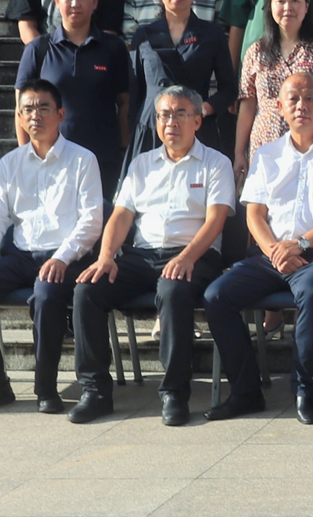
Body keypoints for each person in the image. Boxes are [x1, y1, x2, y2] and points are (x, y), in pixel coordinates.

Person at [69, 86, 234, 426]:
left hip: (195, 255)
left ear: (197, 120)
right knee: (88, 290)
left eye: (180, 114)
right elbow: (121, 216)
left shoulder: (216, 163)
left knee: (172, 291)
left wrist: (187, 257)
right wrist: (106, 256)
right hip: (142, 256)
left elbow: (216, 221)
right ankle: (94, 391)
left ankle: (174, 393)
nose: (171, 122)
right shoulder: (141, 164)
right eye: (164, 115)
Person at [203, 72, 313, 424]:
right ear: (279, 107)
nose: (302, 105)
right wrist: (275, 250)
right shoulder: (266, 154)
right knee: (217, 296)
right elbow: (254, 214)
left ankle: (305, 391)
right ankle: (245, 392)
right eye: (293, 99)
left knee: (312, 292)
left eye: (310, 99)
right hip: (271, 254)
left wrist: (302, 244)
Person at [0, 79, 103, 415]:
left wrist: (62, 257)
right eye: (28, 109)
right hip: (20, 256)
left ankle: (45, 389)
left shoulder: (82, 160)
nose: (35, 115)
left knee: (46, 295)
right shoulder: (11, 162)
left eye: (43, 108)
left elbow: (92, 220)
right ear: (19, 117)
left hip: (66, 256)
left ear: (60, 114)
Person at [16, 0, 131, 198]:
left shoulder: (113, 47)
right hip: (50, 156)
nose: (75, 4)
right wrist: (25, 154)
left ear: (95, 2)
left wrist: (124, 151)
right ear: (57, 1)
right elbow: (21, 108)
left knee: (98, 215)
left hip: (102, 157)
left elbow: (125, 104)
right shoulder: (39, 49)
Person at [128, 0, 237, 158]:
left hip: (194, 124)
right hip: (153, 125)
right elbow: (135, 92)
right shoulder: (143, 35)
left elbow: (229, 89)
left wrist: (204, 109)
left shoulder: (212, 34)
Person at [237, 0, 313, 172]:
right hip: (264, 146)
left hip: (311, 147)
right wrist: (238, 153)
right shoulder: (256, 52)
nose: (288, 7)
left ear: (306, 6)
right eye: (281, 1)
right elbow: (248, 104)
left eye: (295, 1)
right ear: (270, 6)